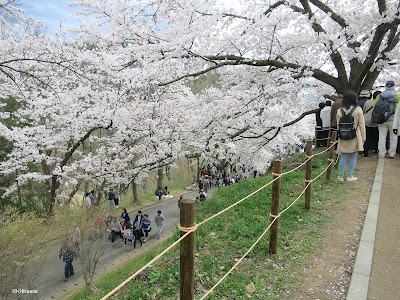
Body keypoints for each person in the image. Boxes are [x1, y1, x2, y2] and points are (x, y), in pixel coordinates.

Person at [336, 91, 366, 182]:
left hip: (343, 135)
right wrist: (363, 138)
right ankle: (349, 176)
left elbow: (338, 125)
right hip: (355, 135)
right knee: (353, 156)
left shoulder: (339, 110)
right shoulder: (358, 109)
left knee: (343, 156)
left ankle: (341, 176)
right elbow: (362, 125)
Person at [374, 80, 399, 158]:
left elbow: (375, 108)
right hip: (393, 120)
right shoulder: (398, 96)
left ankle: (381, 153)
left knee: (382, 137)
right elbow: (397, 110)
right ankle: (392, 153)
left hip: (382, 120)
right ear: (393, 86)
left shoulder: (380, 95)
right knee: (393, 137)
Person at [363, 91, 379, 157]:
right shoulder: (380, 103)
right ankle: (375, 149)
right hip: (376, 122)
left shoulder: (367, 102)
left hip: (367, 121)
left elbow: (364, 111)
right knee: (376, 137)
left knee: (367, 137)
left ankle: (365, 151)